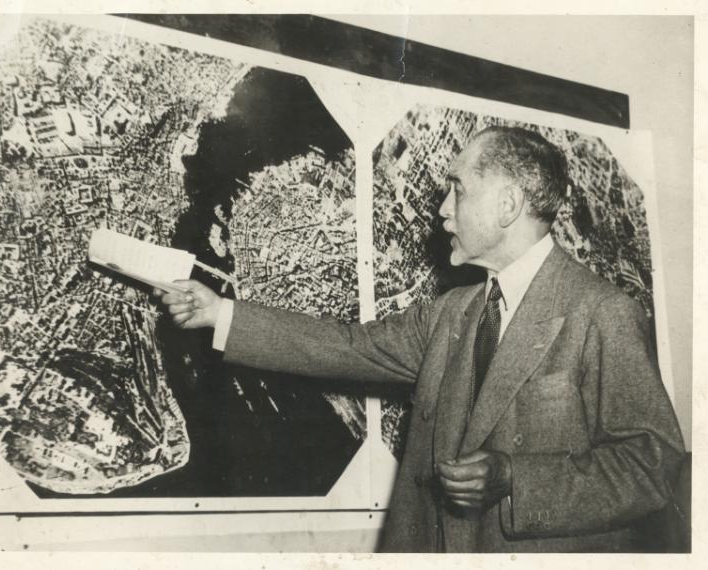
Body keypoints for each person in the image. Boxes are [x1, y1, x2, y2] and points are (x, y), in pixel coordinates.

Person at [154, 126, 685, 552]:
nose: (442, 209)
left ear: (507, 205)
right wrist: (220, 313)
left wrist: (515, 478)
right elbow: (349, 347)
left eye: (457, 189)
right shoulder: (453, 314)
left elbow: (651, 462)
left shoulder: (603, 313)